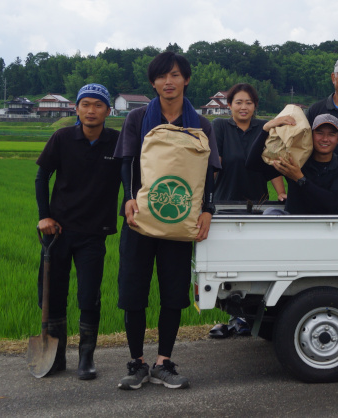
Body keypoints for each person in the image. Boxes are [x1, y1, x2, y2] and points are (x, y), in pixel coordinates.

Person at [114, 51, 221, 390]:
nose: (169, 82)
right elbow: (127, 164)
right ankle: (136, 362)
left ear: (186, 79)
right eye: (162, 76)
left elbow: (210, 174)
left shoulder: (200, 124)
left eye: (175, 75)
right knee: (133, 290)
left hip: (179, 222)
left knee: (174, 293)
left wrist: (207, 209)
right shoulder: (137, 119)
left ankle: (164, 362)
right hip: (141, 218)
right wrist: (130, 199)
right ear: (153, 82)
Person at [34, 83, 121, 380]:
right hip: (58, 231)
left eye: (98, 105)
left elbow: (132, 180)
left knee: (88, 296)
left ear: (108, 111)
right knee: (52, 293)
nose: (91, 111)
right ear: (77, 108)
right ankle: (56, 356)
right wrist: (44, 216)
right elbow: (42, 176)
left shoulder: (117, 142)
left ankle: (86, 357)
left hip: (94, 233)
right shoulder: (62, 138)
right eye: (86, 104)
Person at [246, 113, 338, 214]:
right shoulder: (294, 159)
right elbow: (253, 164)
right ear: (310, 135)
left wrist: (300, 178)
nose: (325, 139)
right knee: (270, 212)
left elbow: (332, 202)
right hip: (294, 222)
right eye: (319, 133)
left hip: (328, 225)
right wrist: (265, 129)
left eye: (331, 134)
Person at [213, 83, 285, 204]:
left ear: (255, 105)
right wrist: (203, 196)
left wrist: (281, 193)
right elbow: (214, 163)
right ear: (229, 105)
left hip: (258, 204)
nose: (244, 107)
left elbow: (272, 163)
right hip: (223, 202)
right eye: (239, 102)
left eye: (249, 103)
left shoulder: (264, 127)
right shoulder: (220, 126)